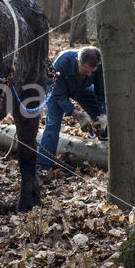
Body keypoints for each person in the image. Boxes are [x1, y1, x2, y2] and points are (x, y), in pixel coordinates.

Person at [36, 46, 107, 175]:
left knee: (101, 113)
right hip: (56, 91)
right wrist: (78, 115)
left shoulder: (98, 65)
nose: (90, 74)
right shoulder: (61, 63)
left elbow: (100, 92)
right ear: (77, 61)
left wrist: (103, 115)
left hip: (81, 88)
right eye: (85, 71)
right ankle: (42, 165)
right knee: (52, 125)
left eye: (93, 71)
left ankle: (105, 146)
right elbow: (58, 95)